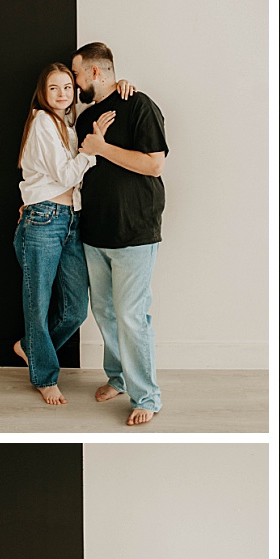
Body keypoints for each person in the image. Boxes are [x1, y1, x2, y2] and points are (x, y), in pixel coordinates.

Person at [12, 64, 133, 406]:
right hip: (43, 221)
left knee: (76, 309)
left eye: (67, 86)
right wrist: (91, 151)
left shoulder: (67, 125)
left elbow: (68, 179)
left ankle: (30, 347)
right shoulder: (42, 123)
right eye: (54, 88)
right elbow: (66, 175)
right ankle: (45, 377)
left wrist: (121, 84)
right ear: (43, 93)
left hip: (70, 220)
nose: (63, 93)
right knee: (37, 304)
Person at [71, 43, 169, 426]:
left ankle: (146, 396)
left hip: (135, 230)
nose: (76, 82)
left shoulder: (139, 104)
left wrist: (102, 147)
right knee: (106, 313)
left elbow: (154, 165)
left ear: (96, 72)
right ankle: (118, 378)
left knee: (131, 316)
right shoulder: (85, 118)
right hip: (95, 231)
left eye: (78, 74)